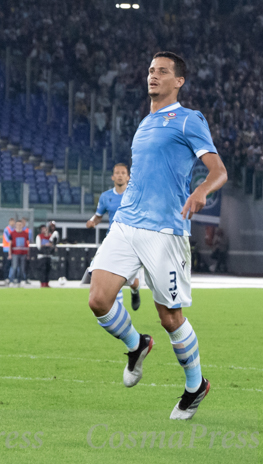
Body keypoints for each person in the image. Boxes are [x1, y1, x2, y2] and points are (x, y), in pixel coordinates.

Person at [88, 52, 227, 420]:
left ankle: (195, 385)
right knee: (98, 300)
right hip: (127, 223)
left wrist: (201, 192)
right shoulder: (145, 123)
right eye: (150, 70)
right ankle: (137, 345)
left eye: (162, 72)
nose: (153, 76)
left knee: (170, 317)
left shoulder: (188, 120)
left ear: (178, 81)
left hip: (165, 230)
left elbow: (219, 171)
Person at [84, 163, 143, 310]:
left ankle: (135, 291)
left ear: (128, 176)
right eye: (117, 173)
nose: (120, 175)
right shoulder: (106, 197)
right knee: (112, 274)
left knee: (133, 282)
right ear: (112, 177)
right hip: (113, 240)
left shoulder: (135, 195)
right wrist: (92, 222)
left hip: (132, 242)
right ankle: (117, 310)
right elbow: (98, 216)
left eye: (123, 173)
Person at [8, 218, 30, 286]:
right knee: (14, 267)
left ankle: (19, 280)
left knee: (22, 268)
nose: (19, 226)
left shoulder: (25, 234)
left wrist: (28, 253)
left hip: (23, 253)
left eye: (20, 225)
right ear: (15, 225)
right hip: (15, 253)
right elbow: (10, 244)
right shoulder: (12, 233)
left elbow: (27, 244)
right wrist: (10, 254)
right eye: (17, 225)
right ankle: (11, 280)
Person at [1, 217, 15, 282]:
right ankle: (6, 277)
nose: (13, 223)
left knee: (12, 264)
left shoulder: (13, 230)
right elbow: (7, 240)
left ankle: (11, 277)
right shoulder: (6, 230)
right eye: (12, 222)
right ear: (9, 222)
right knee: (7, 264)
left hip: (13, 249)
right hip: (6, 249)